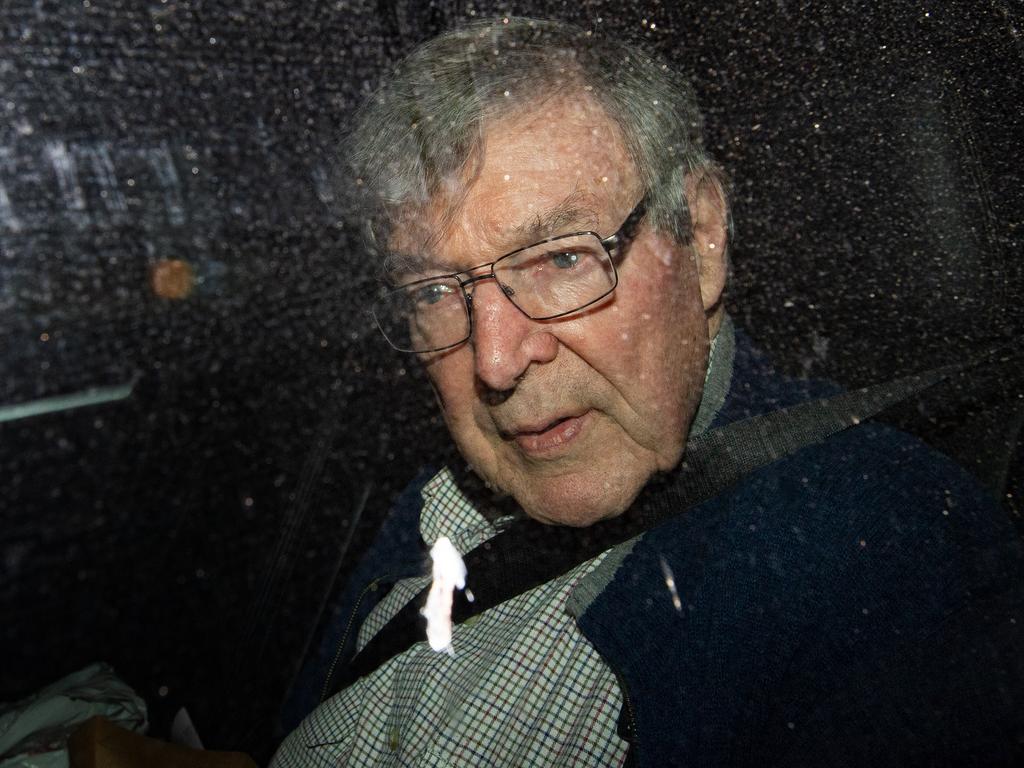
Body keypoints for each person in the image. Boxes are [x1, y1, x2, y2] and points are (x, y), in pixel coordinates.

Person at [273, 17, 1023, 767]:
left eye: (562, 258)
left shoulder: (883, 553)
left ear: (699, 238)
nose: (496, 361)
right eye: (437, 289)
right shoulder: (435, 505)